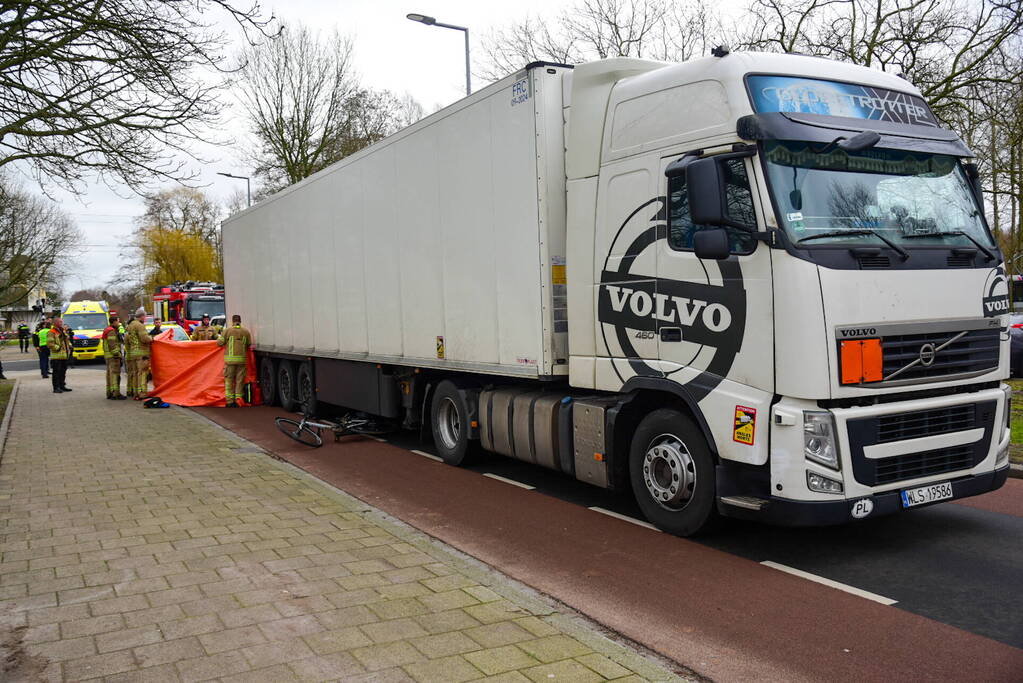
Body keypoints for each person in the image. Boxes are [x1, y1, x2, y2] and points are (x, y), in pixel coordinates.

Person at [217, 314, 251, 408]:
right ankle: (238, 400)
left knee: (229, 380)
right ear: (240, 321)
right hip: (242, 361)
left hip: (230, 361)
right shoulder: (246, 332)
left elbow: (219, 343)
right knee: (240, 381)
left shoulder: (227, 331)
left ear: (232, 321)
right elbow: (248, 344)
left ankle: (230, 401)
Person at [124, 308, 154, 399]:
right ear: (142, 316)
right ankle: (142, 393)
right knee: (143, 373)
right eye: (145, 316)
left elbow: (127, 340)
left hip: (133, 353)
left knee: (136, 373)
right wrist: (152, 338)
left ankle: (136, 392)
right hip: (142, 353)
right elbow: (144, 338)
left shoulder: (130, 325)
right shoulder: (140, 325)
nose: (145, 318)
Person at [101, 314, 126, 400]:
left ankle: (110, 392)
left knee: (110, 375)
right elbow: (112, 344)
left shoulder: (108, 329)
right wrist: (117, 355)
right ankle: (116, 393)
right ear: (114, 322)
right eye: (118, 321)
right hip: (113, 356)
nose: (119, 323)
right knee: (115, 375)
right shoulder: (111, 331)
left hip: (109, 356)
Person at [47, 317, 72, 393]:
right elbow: (50, 344)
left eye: (61, 322)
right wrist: (58, 348)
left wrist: (70, 345)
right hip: (56, 356)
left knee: (63, 372)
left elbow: (66, 340)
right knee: (56, 373)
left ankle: (62, 386)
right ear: (55, 323)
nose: (62, 323)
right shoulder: (51, 332)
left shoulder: (62, 330)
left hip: (64, 355)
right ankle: (56, 388)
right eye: (60, 322)